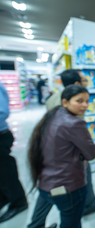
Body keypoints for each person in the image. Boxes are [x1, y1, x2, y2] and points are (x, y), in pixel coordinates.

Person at [27, 69, 95, 228]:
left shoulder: (53, 113)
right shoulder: (74, 123)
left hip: (45, 180)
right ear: (65, 102)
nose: (85, 105)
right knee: (71, 224)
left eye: (87, 101)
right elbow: (91, 154)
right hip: (68, 185)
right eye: (79, 101)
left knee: (44, 217)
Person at [0, 81, 28, 223]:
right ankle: (4, 197)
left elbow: (2, 111)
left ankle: (19, 202)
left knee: (6, 171)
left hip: (1, 135)